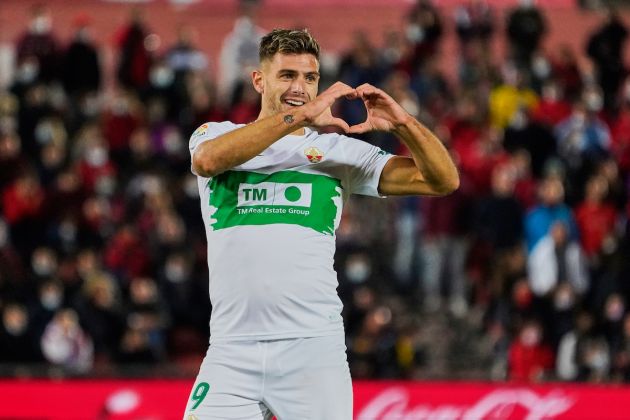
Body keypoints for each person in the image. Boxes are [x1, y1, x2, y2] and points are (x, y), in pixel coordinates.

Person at [185, 28, 458, 419]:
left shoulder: (337, 153)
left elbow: (442, 180)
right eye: (288, 75)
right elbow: (207, 162)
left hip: (312, 352)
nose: (300, 87)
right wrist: (299, 117)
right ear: (259, 80)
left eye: (310, 78)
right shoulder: (217, 136)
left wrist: (403, 124)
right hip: (231, 350)